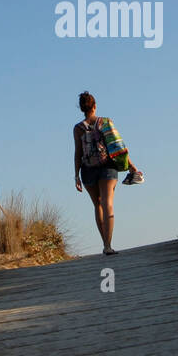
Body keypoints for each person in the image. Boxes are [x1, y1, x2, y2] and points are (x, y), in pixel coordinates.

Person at [73, 91, 140, 255]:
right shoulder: (105, 122)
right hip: (107, 168)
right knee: (107, 203)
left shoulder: (78, 129)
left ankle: (105, 243)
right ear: (95, 106)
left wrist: (76, 175)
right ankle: (108, 245)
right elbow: (117, 147)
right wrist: (132, 167)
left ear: (82, 108)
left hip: (87, 170)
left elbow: (78, 153)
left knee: (97, 205)